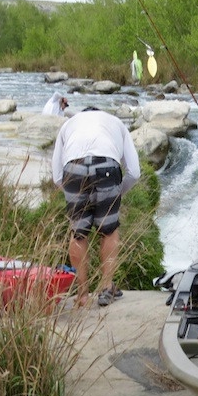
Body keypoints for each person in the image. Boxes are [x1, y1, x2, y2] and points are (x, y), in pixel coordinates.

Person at [51, 108, 141, 307]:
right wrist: (117, 192)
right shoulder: (116, 122)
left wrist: (71, 191)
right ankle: (106, 288)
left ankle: (82, 294)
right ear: (100, 113)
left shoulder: (68, 124)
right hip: (106, 167)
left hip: (73, 169)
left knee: (78, 232)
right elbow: (134, 172)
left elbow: (57, 175)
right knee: (108, 230)